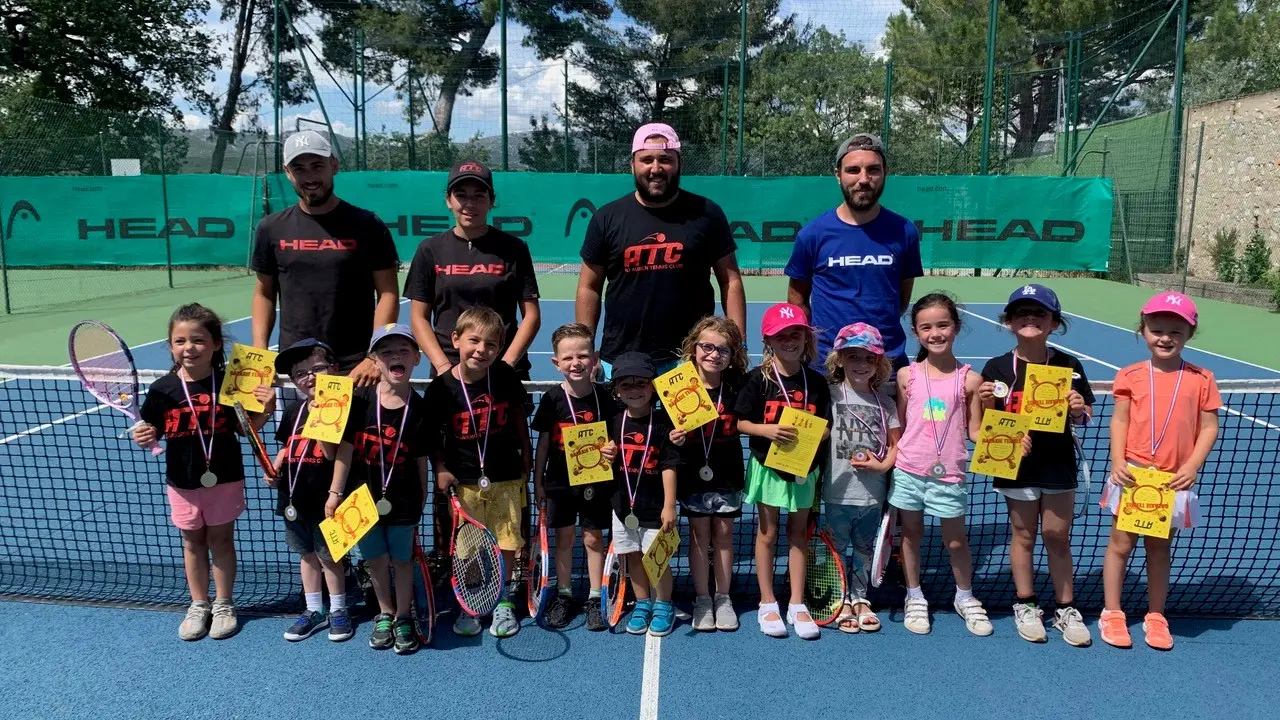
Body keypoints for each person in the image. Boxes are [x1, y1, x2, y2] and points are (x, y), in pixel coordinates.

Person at [133, 303, 265, 641]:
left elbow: (244, 430)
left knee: (221, 540)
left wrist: (266, 407)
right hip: (182, 482)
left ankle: (224, 603)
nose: (189, 348)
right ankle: (198, 604)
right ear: (170, 346)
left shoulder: (231, 384)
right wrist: (144, 437)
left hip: (225, 478)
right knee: (192, 542)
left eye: (198, 340)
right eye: (180, 341)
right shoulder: (161, 390)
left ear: (216, 344)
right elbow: (151, 431)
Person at [1098, 291, 1220, 651]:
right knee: (1120, 544)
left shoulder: (1202, 379)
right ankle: (1112, 612)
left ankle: (1156, 614)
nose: (1165, 338)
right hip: (1133, 476)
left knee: (1159, 547)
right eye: (1157, 330)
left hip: (1172, 481)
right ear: (1143, 330)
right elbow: (1120, 421)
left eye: (1175, 331)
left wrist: (1192, 466)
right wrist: (1118, 461)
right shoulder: (1130, 375)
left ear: (1190, 334)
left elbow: (1209, 428)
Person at [575, 122, 746, 377]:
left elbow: (730, 280)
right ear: (632, 165)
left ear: (679, 164)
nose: (656, 168)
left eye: (665, 159)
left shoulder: (707, 213)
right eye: (646, 160)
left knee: (699, 407)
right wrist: (583, 349)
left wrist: (738, 344)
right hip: (621, 360)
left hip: (690, 361)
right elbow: (588, 287)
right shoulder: (606, 218)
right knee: (622, 408)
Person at [978, 284, 1093, 647]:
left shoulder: (1069, 366)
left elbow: (1084, 415)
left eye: (1040, 313)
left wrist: (1078, 409)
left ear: (1054, 323)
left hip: (1058, 463)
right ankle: (1026, 604)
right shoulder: (996, 368)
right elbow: (988, 424)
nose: (1030, 318)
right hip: (1017, 466)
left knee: (1057, 535)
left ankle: (1066, 608)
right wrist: (987, 404)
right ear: (1009, 322)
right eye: (1021, 313)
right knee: (1024, 534)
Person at [251, 129, 401, 385]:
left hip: (355, 369)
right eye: (299, 168)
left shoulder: (368, 225)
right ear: (288, 173)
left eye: (317, 166)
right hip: (296, 366)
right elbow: (264, 293)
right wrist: (260, 351)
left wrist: (373, 355)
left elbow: (388, 293)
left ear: (334, 166)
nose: (309, 177)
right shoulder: (270, 228)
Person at [425, 307, 532, 639]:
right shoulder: (441, 388)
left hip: (506, 476)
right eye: (474, 341)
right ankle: (471, 601)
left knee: (508, 540)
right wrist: (440, 468)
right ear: (456, 339)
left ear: (499, 349)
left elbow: (519, 419)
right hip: (464, 481)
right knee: (467, 547)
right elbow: (432, 436)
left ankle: (502, 601)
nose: (481, 350)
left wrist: (526, 455)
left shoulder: (504, 377)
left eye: (491, 345)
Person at [891, 293, 992, 637]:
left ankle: (965, 596)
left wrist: (1007, 439)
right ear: (916, 333)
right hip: (909, 470)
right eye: (926, 327)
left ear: (956, 327)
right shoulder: (906, 376)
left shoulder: (971, 380)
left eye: (943, 325)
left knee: (956, 541)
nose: (935, 333)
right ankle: (914, 595)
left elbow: (976, 431)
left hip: (949, 473)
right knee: (911, 535)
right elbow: (901, 426)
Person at [784, 133, 923, 372]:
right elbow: (797, 300)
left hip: (886, 367)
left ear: (885, 172)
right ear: (838, 175)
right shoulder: (812, 234)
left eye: (873, 170)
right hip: (827, 368)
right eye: (853, 170)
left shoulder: (905, 231)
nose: (864, 179)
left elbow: (901, 299)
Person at [330, 324, 429, 655]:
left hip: (404, 500)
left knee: (402, 561)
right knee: (375, 560)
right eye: (386, 352)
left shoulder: (420, 409)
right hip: (360, 500)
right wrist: (335, 493)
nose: (395, 356)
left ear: (416, 358)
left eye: (403, 350)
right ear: (374, 360)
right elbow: (344, 451)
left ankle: (403, 616)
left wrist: (422, 501)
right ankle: (385, 613)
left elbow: (421, 462)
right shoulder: (359, 401)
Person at [735, 303, 831, 640]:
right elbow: (740, 422)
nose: (789, 341)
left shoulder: (816, 382)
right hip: (767, 468)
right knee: (767, 533)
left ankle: (797, 603)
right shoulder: (756, 380)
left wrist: (816, 434)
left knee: (798, 534)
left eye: (795, 334)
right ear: (768, 341)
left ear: (806, 339)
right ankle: (767, 601)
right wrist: (766, 430)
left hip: (804, 469)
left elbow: (826, 426)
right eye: (781, 336)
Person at [406, 160, 542, 380]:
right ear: (448, 200)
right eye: (461, 195)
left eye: (479, 196)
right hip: (450, 372)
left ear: (491, 201)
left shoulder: (515, 248)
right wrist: (443, 367)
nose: (470, 204)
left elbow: (532, 316)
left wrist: (507, 364)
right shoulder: (429, 249)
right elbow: (418, 317)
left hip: (504, 373)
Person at [531, 323, 620, 631]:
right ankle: (565, 594)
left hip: (596, 481)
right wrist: (538, 482)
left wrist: (613, 448)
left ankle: (596, 596)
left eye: (582, 356)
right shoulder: (552, 399)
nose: (576, 363)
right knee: (564, 538)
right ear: (556, 363)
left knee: (593, 538)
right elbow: (543, 444)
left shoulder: (605, 398)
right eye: (568, 358)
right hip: (559, 482)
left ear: (595, 358)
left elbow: (615, 436)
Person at [266, 339, 355, 643]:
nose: (310, 377)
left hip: (325, 501)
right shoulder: (293, 410)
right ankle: (314, 608)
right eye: (300, 374)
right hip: (294, 498)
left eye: (317, 369)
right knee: (306, 555)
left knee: (330, 558)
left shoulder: (341, 410)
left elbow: (332, 454)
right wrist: (275, 466)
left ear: (334, 369)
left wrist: (321, 419)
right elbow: (287, 445)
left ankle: (339, 609)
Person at [672, 316, 748, 633]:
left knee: (725, 535)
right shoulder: (678, 387)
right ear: (694, 348)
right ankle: (703, 598)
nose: (714, 354)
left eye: (723, 349)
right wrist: (672, 437)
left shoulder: (738, 386)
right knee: (699, 536)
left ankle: (723, 598)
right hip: (692, 473)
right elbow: (662, 429)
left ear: (732, 355)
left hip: (728, 473)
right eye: (707, 347)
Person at [824, 322, 900, 634]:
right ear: (840, 359)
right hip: (836, 492)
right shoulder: (829, 396)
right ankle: (840, 598)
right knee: (837, 548)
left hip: (872, 494)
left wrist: (883, 468)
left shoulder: (886, 403)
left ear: (879, 363)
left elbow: (896, 446)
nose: (862, 364)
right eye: (853, 356)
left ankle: (860, 597)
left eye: (870, 358)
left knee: (865, 549)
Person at [604, 352, 681, 637]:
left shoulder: (663, 423)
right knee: (633, 557)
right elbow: (601, 461)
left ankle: (663, 604)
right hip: (623, 506)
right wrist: (606, 454)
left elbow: (669, 466)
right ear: (617, 390)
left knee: (657, 559)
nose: (634, 390)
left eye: (641, 383)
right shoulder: (613, 421)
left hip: (656, 507)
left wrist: (669, 505)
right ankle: (643, 602)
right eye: (626, 385)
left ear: (653, 387)